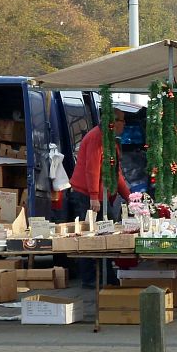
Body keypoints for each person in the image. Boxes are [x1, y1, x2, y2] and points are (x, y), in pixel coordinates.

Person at [68, 108, 131, 289]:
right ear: (112, 122)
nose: (124, 124)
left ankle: (107, 274)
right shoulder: (97, 138)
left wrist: (129, 197)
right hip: (86, 195)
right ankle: (90, 278)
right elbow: (92, 168)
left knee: (107, 233)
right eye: (121, 120)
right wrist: (94, 197)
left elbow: (115, 173)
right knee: (89, 237)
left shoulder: (110, 141)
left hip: (100, 195)